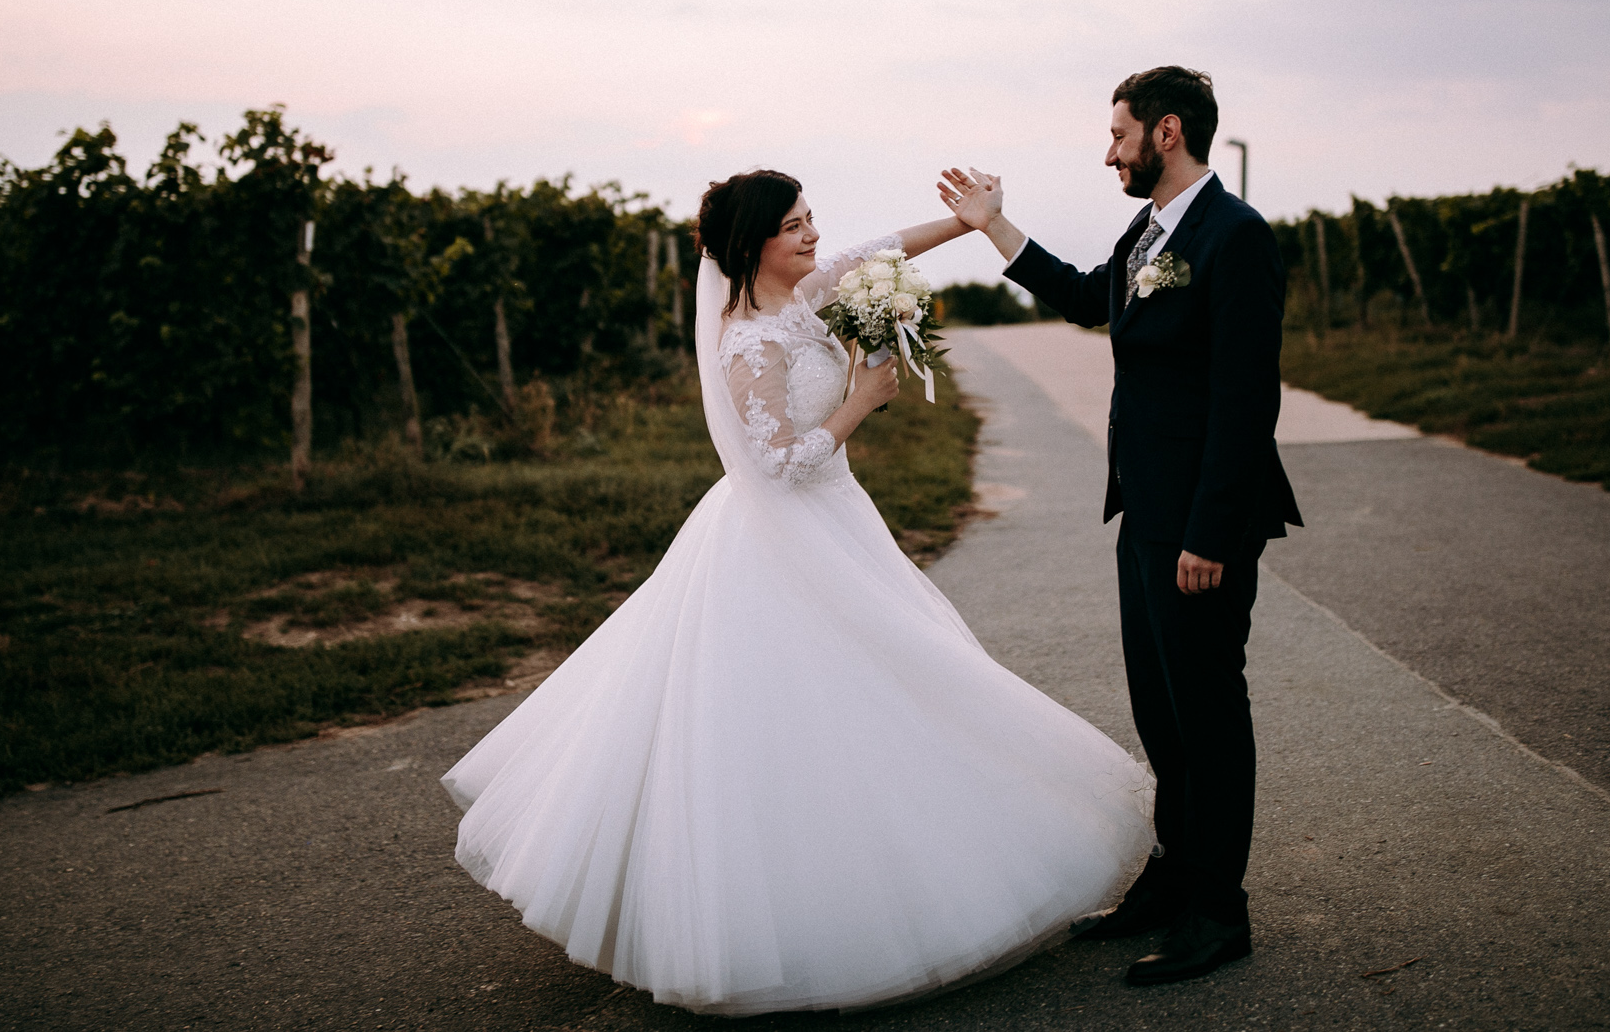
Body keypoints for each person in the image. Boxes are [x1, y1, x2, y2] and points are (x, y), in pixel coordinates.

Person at [442, 169, 1156, 1016]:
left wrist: (967, 226)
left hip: (838, 523)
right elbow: (775, 465)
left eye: (812, 218)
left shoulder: (804, 293)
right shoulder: (748, 339)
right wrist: (858, 402)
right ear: (753, 246)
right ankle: (804, 920)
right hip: (778, 541)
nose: (814, 235)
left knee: (892, 685)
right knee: (803, 715)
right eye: (794, 226)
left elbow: (877, 250)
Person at [939, 65, 1302, 986]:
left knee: (1209, 713)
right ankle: (1174, 878)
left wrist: (1211, 535)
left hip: (1201, 526)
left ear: (1166, 132)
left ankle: (1219, 910)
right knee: (1162, 710)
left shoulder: (1237, 238)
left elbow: (1244, 399)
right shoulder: (1148, 232)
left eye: (1118, 136)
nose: (1110, 153)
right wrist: (994, 226)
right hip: (1144, 510)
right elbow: (1081, 295)